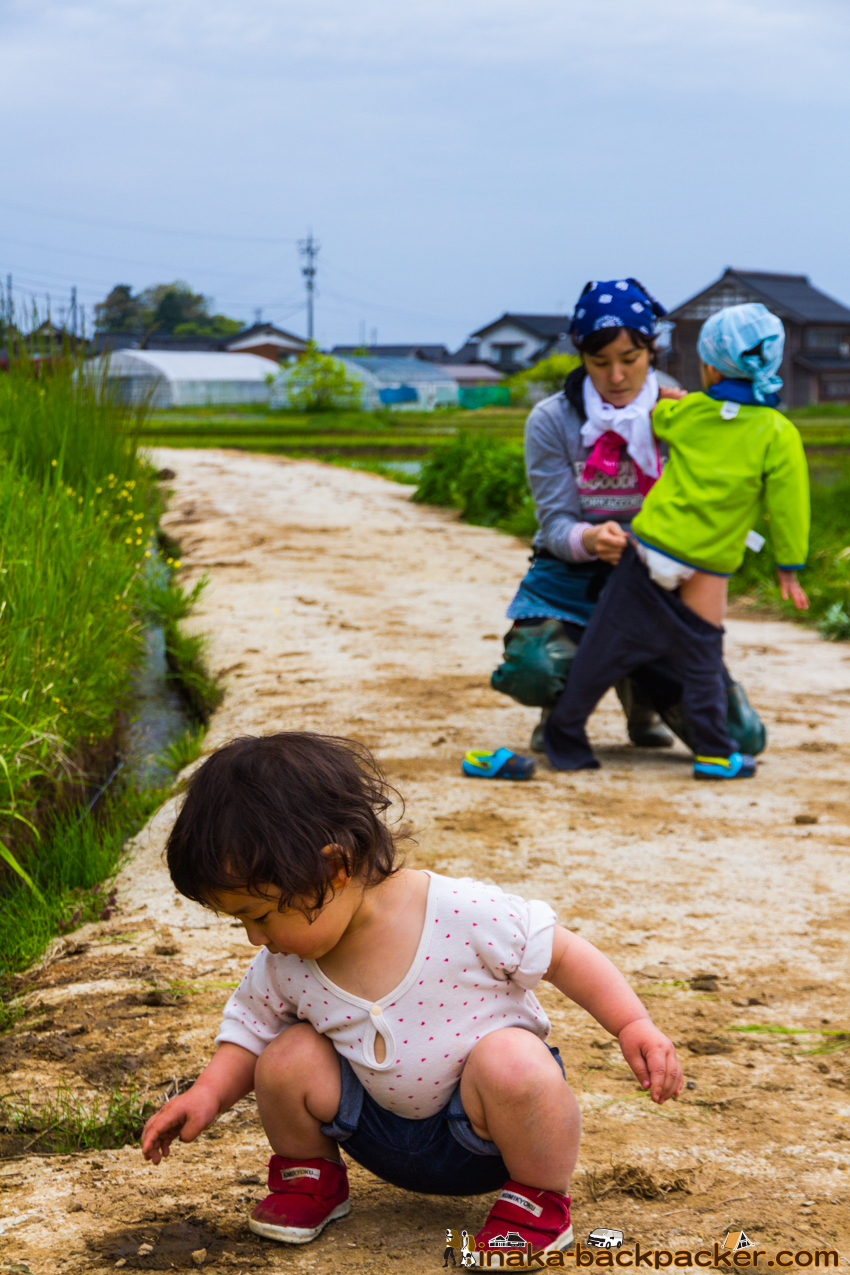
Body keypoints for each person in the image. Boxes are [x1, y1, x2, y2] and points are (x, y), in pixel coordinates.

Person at [141, 732, 683, 1258]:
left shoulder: (465, 913)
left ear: (332, 869)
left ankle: (540, 1198)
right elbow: (248, 1032)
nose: (255, 937)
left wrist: (631, 1024)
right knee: (285, 1057)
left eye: (259, 915)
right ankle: (312, 1180)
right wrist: (206, 1095)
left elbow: (563, 954)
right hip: (373, 1130)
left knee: (513, 1061)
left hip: (484, 1135)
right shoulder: (286, 962)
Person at [492, 278, 765, 759]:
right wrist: (592, 538)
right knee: (534, 666)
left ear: (652, 351)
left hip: (660, 582)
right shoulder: (552, 421)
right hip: (577, 581)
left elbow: (718, 500)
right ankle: (558, 710)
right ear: (581, 356)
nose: (616, 376)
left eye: (630, 360)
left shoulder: (684, 413)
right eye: (600, 363)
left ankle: (643, 699)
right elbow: (555, 524)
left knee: (740, 738)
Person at [543, 302, 810, 780]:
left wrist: (669, 402)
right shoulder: (778, 433)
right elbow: (791, 509)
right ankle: (712, 751)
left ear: (708, 366)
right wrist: (788, 568)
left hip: (650, 546)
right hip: (709, 562)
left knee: (603, 649)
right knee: (704, 656)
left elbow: (661, 421)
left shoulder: (689, 414)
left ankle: (566, 738)